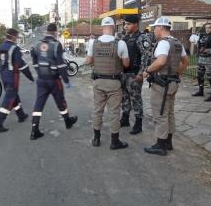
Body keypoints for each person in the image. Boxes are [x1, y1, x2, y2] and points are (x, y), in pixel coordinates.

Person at [143, 17, 189, 156]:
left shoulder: (163, 43)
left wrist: (148, 70)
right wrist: (176, 73)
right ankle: (168, 142)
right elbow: (185, 61)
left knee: (160, 114)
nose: (154, 31)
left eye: (155, 28)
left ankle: (160, 145)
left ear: (161, 28)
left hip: (161, 84)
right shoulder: (177, 43)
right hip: (173, 82)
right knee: (169, 113)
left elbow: (161, 61)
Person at [86, 17, 130, 150]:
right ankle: (114, 142)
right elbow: (126, 64)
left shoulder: (93, 42)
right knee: (114, 112)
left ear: (102, 27)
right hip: (113, 82)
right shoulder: (121, 43)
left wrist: (96, 61)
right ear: (113, 27)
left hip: (98, 81)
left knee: (97, 110)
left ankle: (96, 139)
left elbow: (88, 61)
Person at [30, 23, 78, 140]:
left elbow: (34, 61)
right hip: (53, 80)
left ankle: (34, 130)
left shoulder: (37, 44)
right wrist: (66, 81)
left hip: (41, 80)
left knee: (38, 105)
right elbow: (61, 65)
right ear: (55, 32)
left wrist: (39, 71)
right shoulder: (57, 45)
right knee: (61, 101)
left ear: (46, 32)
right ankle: (67, 121)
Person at [0, 28, 34, 133]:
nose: (17, 38)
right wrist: (30, 77)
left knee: (13, 95)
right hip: (13, 77)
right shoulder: (14, 48)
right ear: (13, 36)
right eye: (17, 36)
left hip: (3, 76)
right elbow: (22, 65)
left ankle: (21, 115)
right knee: (10, 97)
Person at [120, 14, 152, 135]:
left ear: (136, 25)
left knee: (136, 98)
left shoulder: (142, 38)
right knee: (124, 97)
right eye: (125, 24)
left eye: (128, 24)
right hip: (124, 73)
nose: (125, 26)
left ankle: (138, 123)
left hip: (134, 74)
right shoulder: (125, 38)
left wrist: (141, 73)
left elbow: (146, 56)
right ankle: (125, 118)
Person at [192, 23, 211, 101]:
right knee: (200, 76)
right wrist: (196, 42)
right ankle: (200, 91)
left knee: (210, 77)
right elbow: (200, 46)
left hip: (209, 60)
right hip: (201, 59)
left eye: (209, 27)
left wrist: (207, 50)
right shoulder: (203, 37)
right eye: (206, 28)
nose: (207, 29)